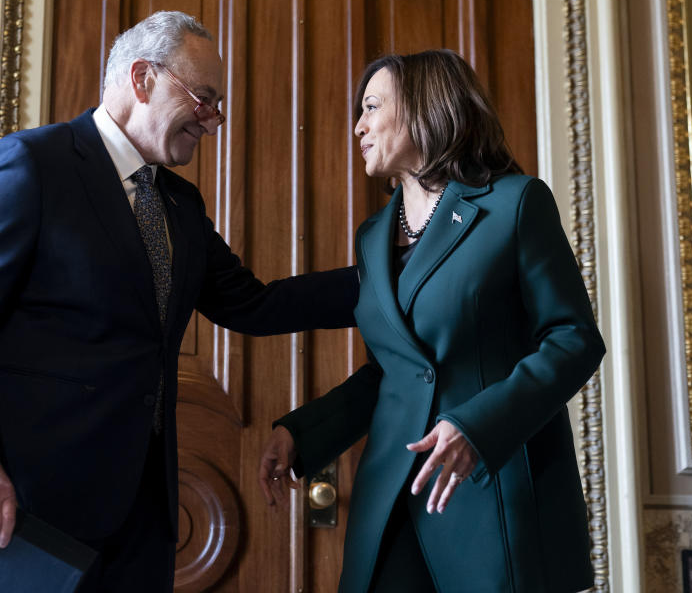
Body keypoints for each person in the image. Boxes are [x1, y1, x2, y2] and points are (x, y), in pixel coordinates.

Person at [0, 10, 358, 592]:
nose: (215, 120)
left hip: (141, 520)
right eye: (204, 98)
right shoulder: (33, 166)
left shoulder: (180, 204)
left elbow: (255, 305)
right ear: (143, 78)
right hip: (22, 508)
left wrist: (396, 275)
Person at [258, 49, 605, 593]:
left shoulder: (516, 204)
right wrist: (302, 433)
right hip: (390, 502)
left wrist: (477, 427)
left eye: (372, 106)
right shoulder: (373, 237)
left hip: (491, 491)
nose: (358, 125)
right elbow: (395, 374)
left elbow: (574, 339)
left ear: (424, 109)